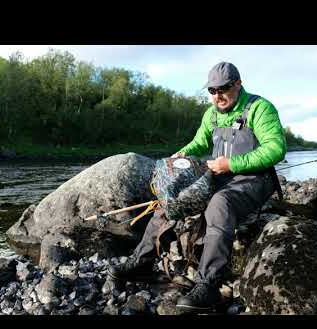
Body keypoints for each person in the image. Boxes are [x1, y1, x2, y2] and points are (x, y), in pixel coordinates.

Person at [108, 62, 287, 313]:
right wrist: (181, 155)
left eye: (223, 89)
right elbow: (199, 142)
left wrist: (231, 164)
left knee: (219, 204)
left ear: (238, 84)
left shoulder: (260, 108)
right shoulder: (211, 114)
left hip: (255, 181)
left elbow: (276, 149)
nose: (217, 96)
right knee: (171, 200)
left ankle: (208, 285)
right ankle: (141, 262)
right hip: (220, 176)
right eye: (212, 90)